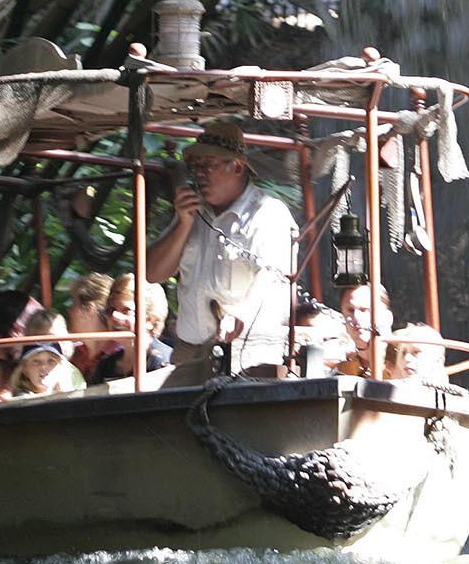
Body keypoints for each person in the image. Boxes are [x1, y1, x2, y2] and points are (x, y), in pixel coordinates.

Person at [147, 118, 298, 373]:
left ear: (237, 167)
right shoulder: (192, 212)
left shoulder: (267, 213)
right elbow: (151, 273)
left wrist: (240, 313)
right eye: (194, 167)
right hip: (188, 352)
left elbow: (273, 279)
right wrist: (183, 223)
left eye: (207, 166)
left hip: (247, 355)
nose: (198, 174)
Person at [88, 278, 174, 383]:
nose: (114, 316)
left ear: (150, 320)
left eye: (126, 311)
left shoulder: (164, 363)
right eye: (111, 309)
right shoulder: (106, 364)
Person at [63, 273, 114, 378]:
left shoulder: (118, 355)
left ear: (89, 310)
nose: (69, 310)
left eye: (74, 303)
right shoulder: (75, 354)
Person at [337, 283, 392, 378]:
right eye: (350, 310)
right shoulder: (343, 369)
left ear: (387, 317)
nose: (356, 317)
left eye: (364, 310)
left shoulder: (405, 361)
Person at [11, 342, 83, 397]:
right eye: (36, 361)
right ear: (25, 369)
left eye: (51, 361)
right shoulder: (22, 399)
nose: (44, 367)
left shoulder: (75, 391)